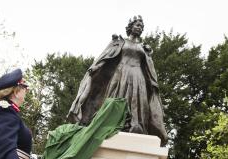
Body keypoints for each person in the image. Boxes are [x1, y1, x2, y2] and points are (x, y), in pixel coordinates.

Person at [67, 15, 167, 146]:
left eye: (142, 27)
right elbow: (106, 56)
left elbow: (149, 68)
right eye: (137, 25)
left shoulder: (144, 47)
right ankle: (111, 123)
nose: (140, 28)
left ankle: (135, 125)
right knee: (115, 97)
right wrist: (96, 67)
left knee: (138, 101)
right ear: (130, 27)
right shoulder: (120, 42)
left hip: (138, 76)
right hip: (120, 73)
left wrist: (153, 83)